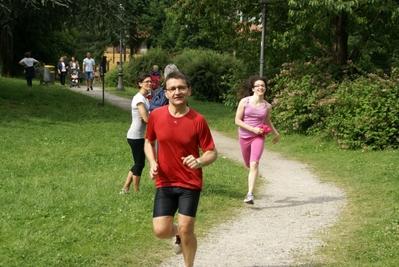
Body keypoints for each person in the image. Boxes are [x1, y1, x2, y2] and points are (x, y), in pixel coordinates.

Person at [144, 71, 218, 267]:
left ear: (189, 91)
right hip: (165, 181)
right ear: (166, 93)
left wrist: (200, 161)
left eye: (181, 88)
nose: (177, 92)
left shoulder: (197, 120)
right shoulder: (156, 116)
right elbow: (148, 142)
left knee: (187, 229)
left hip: (189, 182)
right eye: (172, 88)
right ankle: (176, 232)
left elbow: (211, 152)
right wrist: (152, 162)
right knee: (160, 231)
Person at [234, 76, 279, 205]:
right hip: (244, 136)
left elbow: (267, 121)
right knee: (248, 164)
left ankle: (250, 194)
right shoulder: (244, 102)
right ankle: (251, 183)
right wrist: (252, 129)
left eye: (263, 85)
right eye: (258, 85)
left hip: (258, 136)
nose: (261, 87)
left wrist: (276, 133)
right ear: (253, 88)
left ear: (265, 89)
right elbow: (237, 121)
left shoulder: (267, 106)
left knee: (254, 164)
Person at [119, 73, 153, 194]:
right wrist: (147, 117)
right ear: (140, 84)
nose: (149, 83)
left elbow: (147, 117)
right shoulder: (138, 98)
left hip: (140, 136)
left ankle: (126, 188)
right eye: (146, 81)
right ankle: (136, 191)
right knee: (139, 163)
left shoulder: (145, 97)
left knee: (139, 163)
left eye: (150, 81)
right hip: (135, 136)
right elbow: (147, 119)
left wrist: (147, 117)